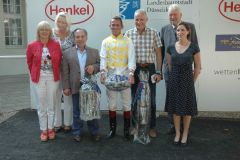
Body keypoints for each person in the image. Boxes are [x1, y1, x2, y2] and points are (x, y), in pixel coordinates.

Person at [160, 4, 198, 134]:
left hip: (186, 72)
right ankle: (173, 126)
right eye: (170, 14)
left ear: (180, 15)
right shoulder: (164, 29)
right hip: (170, 71)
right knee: (172, 98)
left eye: (175, 14)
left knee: (186, 99)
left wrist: (191, 68)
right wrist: (161, 69)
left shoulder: (190, 27)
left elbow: (194, 47)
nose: (172, 17)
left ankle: (184, 127)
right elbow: (161, 51)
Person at [125, 9, 163, 138]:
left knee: (151, 99)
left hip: (150, 69)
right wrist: (128, 72)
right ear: (134, 20)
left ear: (146, 20)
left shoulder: (154, 33)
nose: (139, 21)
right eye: (137, 19)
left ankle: (152, 127)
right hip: (134, 69)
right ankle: (135, 126)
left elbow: (158, 53)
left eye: (142, 19)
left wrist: (158, 71)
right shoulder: (128, 34)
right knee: (135, 99)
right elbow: (126, 55)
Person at [165, 22, 201, 146]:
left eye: (183, 30)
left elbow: (197, 67)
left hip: (187, 82)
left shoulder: (194, 47)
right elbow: (169, 65)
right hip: (174, 81)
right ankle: (177, 133)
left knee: (187, 110)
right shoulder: (170, 47)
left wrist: (192, 81)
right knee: (175, 110)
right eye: (178, 30)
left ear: (188, 31)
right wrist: (173, 78)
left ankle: (185, 133)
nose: (180, 32)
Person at [100, 16, 136, 140]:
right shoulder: (105, 41)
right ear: (109, 26)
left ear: (122, 26)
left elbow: (131, 57)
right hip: (110, 76)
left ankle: (126, 130)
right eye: (113, 25)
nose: (115, 27)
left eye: (117, 25)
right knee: (112, 104)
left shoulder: (128, 40)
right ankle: (112, 130)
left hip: (125, 75)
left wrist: (131, 74)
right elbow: (103, 58)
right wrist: (103, 73)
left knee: (127, 105)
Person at [62, 28, 100, 142]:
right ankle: (77, 132)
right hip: (74, 85)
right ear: (74, 38)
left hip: (90, 87)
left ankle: (94, 132)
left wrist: (94, 67)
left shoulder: (94, 51)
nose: (80, 39)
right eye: (77, 37)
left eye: (82, 36)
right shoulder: (67, 53)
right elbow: (65, 72)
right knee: (76, 110)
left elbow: (100, 64)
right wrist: (66, 86)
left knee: (91, 109)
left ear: (86, 37)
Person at [26, 21, 62, 142]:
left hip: (53, 78)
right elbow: (29, 62)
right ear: (38, 32)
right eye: (42, 29)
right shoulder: (32, 45)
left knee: (51, 104)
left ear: (50, 31)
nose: (45, 31)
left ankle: (51, 128)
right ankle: (43, 130)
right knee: (42, 105)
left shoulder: (56, 45)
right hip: (39, 79)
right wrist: (35, 74)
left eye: (47, 29)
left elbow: (59, 61)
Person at [52, 12, 74, 132]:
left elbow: (75, 52)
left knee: (67, 97)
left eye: (64, 22)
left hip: (68, 71)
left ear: (68, 23)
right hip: (53, 70)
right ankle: (57, 123)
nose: (61, 24)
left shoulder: (72, 35)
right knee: (56, 97)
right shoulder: (51, 33)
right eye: (59, 21)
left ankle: (67, 123)